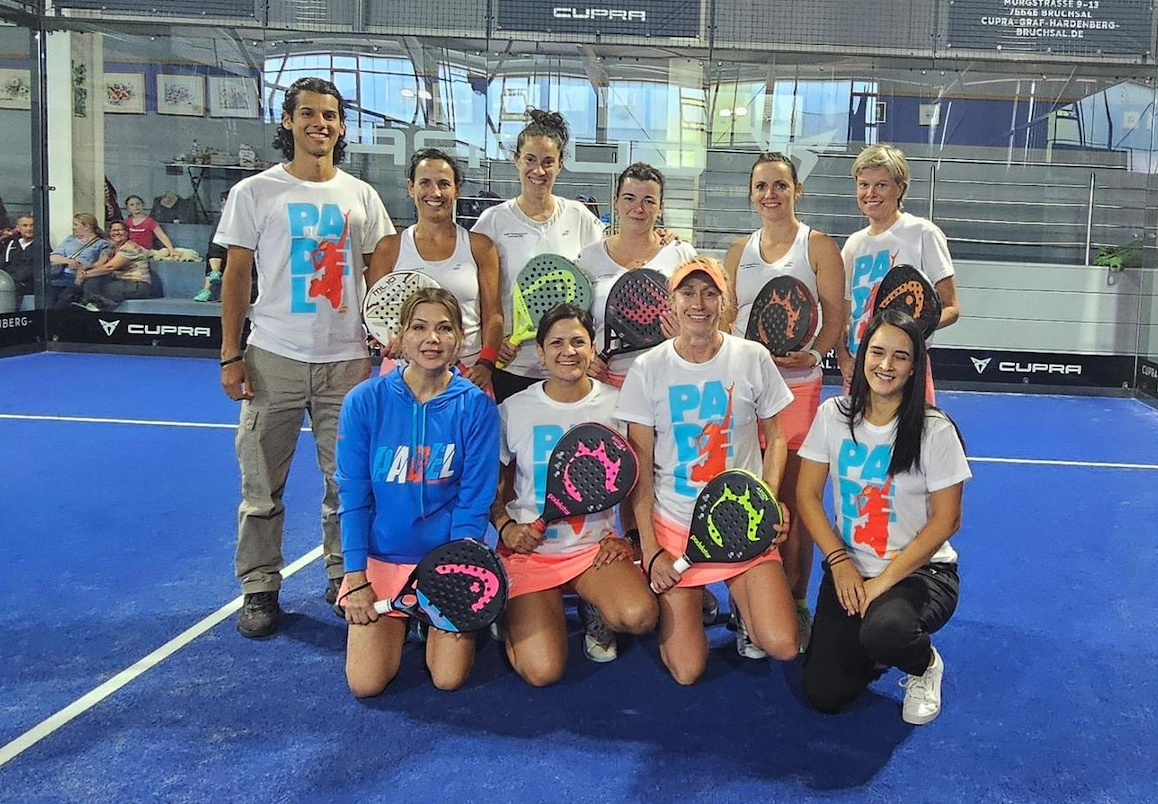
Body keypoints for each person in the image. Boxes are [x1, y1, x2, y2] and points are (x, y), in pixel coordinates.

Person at [216, 76, 395, 638]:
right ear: (289, 121)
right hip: (274, 357)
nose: (322, 123)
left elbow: (381, 270)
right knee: (261, 484)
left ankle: (344, 577)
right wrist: (230, 354)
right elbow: (237, 276)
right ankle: (259, 586)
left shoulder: (361, 196)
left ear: (342, 127)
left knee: (346, 482)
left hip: (347, 363)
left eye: (332, 116)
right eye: (310, 114)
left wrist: (377, 337)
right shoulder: (255, 193)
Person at [616, 256, 798, 685]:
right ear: (671, 303)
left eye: (710, 293)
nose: (699, 303)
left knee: (782, 644)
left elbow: (777, 438)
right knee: (686, 670)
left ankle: (738, 599)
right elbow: (640, 466)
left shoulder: (752, 358)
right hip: (677, 527)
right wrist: (652, 549)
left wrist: (766, 503)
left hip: (742, 520)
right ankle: (690, 597)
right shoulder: (647, 369)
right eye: (688, 293)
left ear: (724, 303)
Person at [796, 309, 969, 724]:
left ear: (914, 368)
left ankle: (924, 664)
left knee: (886, 632)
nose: (886, 365)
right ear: (862, 357)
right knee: (824, 694)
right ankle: (876, 645)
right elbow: (806, 495)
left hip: (919, 576)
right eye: (877, 352)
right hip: (851, 572)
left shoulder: (935, 430)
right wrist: (839, 564)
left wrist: (882, 583)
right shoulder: (833, 416)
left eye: (900, 356)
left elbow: (947, 521)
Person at [337, 288, 499, 695]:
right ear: (400, 337)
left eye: (445, 329)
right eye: (420, 328)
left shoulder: (476, 406)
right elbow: (353, 497)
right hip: (381, 562)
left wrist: (459, 575)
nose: (433, 339)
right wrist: (356, 577)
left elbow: (474, 500)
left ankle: (436, 623)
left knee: (448, 679)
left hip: (443, 562)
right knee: (365, 684)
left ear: (459, 338)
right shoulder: (364, 401)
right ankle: (409, 620)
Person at [721, 152, 845, 655]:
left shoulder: (817, 245)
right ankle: (746, 599)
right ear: (750, 194)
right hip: (746, 390)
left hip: (798, 389)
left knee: (793, 500)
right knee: (744, 491)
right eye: (761, 186)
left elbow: (835, 316)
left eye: (779, 185)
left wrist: (813, 352)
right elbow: (729, 320)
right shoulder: (737, 250)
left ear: (797, 191)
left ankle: (793, 600)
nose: (770, 194)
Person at [493, 305, 657, 681]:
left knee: (639, 616)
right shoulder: (513, 410)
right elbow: (494, 487)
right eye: (557, 343)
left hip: (592, 551)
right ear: (540, 352)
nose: (569, 351)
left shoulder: (616, 405)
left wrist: (630, 539)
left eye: (578, 342)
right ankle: (513, 606)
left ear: (593, 346)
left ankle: (593, 604)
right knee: (543, 671)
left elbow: (635, 483)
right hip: (530, 553)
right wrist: (505, 527)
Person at [471, 109, 605, 403]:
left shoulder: (580, 218)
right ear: (516, 159)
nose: (538, 171)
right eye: (530, 160)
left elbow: (601, 280)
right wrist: (492, 346)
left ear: (560, 165)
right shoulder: (492, 222)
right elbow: (479, 294)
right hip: (512, 366)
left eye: (548, 162)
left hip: (568, 367)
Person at [367, 148, 503, 393]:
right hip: (405, 377)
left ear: (457, 189)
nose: (435, 193)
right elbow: (376, 318)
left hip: (469, 375)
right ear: (411, 188)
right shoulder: (389, 249)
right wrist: (387, 343)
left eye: (444, 184)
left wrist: (486, 364)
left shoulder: (481, 246)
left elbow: (493, 316)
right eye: (425, 183)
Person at [837, 144, 961, 403]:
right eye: (863, 185)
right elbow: (843, 315)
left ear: (900, 188)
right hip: (862, 368)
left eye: (880, 185)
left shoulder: (922, 233)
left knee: (910, 442)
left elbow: (951, 307)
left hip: (907, 369)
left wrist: (906, 332)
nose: (870, 193)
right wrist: (844, 359)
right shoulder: (853, 245)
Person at [578, 162, 695, 389]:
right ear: (616, 201)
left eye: (648, 201)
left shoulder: (681, 254)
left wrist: (685, 336)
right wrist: (587, 356)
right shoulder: (589, 257)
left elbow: (706, 317)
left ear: (660, 207)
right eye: (629, 198)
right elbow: (575, 322)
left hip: (669, 382)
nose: (638, 208)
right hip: (604, 384)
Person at [73, 221, 152, 311]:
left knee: (102, 287)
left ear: (127, 232)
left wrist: (85, 275)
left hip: (137, 285)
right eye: (113, 230)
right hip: (120, 281)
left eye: (120, 230)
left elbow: (110, 267)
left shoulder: (130, 247)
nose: (117, 233)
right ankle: (93, 303)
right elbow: (99, 265)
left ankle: (100, 305)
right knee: (92, 281)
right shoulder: (111, 248)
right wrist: (82, 270)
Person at [48, 214, 107, 308]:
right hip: (60, 276)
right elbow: (53, 257)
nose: (73, 228)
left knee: (63, 301)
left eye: (75, 224)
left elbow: (101, 264)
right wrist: (68, 261)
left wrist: (82, 266)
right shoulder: (70, 239)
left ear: (87, 227)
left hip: (78, 278)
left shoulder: (101, 244)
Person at [194, 192, 237, 303]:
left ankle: (214, 276)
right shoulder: (219, 218)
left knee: (216, 256)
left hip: (234, 247)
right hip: (218, 248)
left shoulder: (240, 216)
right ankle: (212, 279)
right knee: (213, 253)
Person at [2, 213, 36, 298]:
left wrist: (8, 281)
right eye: (25, 225)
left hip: (26, 286)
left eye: (32, 225)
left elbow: (28, 271)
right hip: (7, 283)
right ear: (18, 228)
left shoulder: (41, 246)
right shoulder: (12, 244)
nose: (29, 228)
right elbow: (2, 263)